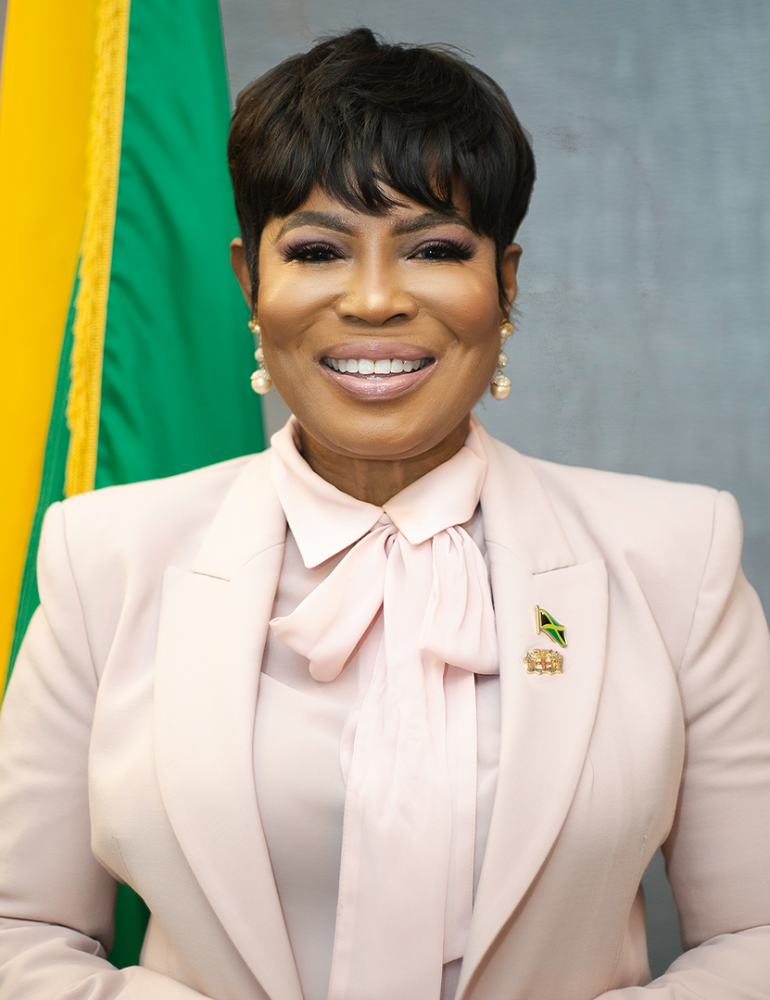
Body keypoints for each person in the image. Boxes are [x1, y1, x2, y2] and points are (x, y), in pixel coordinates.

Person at [0, 26, 769, 1000]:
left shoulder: (675, 554)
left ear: (504, 284)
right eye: (317, 249)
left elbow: (755, 931)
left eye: (434, 249)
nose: (372, 300)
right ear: (250, 282)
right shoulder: (103, 553)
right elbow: (20, 927)